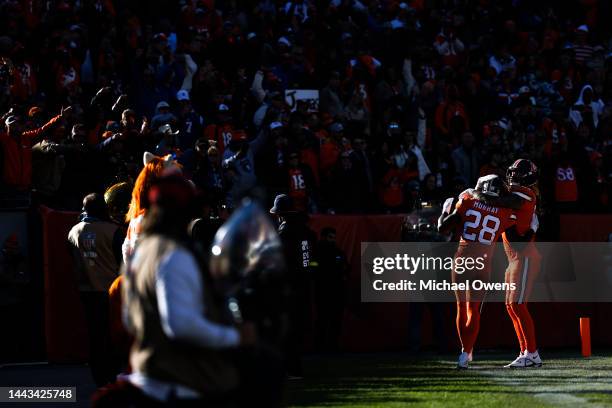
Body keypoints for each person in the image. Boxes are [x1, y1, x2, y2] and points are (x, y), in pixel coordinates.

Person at [118, 174, 256, 406]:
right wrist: (235, 336)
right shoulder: (173, 254)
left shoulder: (141, 254)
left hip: (147, 379)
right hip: (179, 386)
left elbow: (129, 320)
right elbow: (180, 325)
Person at [438, 174, 517, 369]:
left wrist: (445, 210)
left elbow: (444, 228)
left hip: (462, 261)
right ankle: (467, 352)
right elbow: (517, 220)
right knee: (474, 310)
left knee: (461, 307)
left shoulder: (468, 202)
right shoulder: (504, 211)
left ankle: (465, 352)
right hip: (483, 264)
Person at [67, 193, 123, 386]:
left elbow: (72, 260)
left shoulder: (73, 232)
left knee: (95, 335)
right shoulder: (114, 231)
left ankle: (98, 376)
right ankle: (113, 375)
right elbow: (122, 261)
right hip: (110, 291)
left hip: (86, 291)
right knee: (112, 334)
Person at [270, 194, 317, 378]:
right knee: (298, 329)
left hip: (289, 287)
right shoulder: (306, 232)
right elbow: (310, 261)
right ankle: (294, 367)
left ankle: (290, 369)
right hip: (304, 286)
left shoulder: (285, 233)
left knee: (286, 330)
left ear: (280, 214)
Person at [502, 159, 543, 368]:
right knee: (511, 306)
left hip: (525, 255)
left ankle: (532, 353)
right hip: (513, 258)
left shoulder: (526, 194)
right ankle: (524, 351)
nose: (512, 176)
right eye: (512, 172)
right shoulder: (513, 193)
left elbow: (507, 201)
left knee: (518, 304)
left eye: (517, 173)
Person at [313, 227, 348, 352]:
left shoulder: (337, 252)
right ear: (323, 237)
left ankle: (332, 346)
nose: (332, 240)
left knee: (335, 321)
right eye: (330, 237)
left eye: (333, 237)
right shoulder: (317, 251)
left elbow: (345, 267)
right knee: (322, 320)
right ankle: (319, 347)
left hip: (336, 291)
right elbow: (313, 268)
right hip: (323, 290)